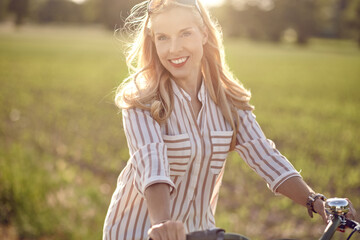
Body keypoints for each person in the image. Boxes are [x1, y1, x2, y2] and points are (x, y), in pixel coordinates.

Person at [103, 1, 357, 239]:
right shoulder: (141, 102)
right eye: (163, 38)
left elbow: (264, 155)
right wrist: (163, 224)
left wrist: (315, 202)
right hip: (138, 231)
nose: (174, 49)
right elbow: (152, 165)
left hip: (200, 231)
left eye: (185, 34)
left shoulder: (228, 101)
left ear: (203, 34)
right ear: (153, 42)